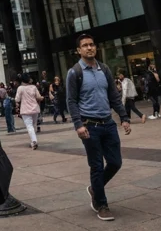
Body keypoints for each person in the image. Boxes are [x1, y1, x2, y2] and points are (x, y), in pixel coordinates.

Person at [66, 34, 131, 222]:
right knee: (96, 165)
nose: (89, 48)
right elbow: (71, 101)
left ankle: (95, 188)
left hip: (108, 124)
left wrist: (124, 117)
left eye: (92, 44)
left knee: (115, 162)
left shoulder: (105, 69)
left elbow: (113, 95)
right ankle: (101, 204)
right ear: (79, 50)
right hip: (89, 126)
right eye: (85, 45)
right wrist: (78, 125)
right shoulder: (75, 72)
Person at [15, 74, 43, 150]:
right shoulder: (34, 87)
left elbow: (17, 99)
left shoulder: (20, 88)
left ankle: (34, 141)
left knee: (29, 126)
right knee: (33, 125)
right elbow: (39, 97)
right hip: (35, 109)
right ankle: (33, 140)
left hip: (25, 110)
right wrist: (42, 98)